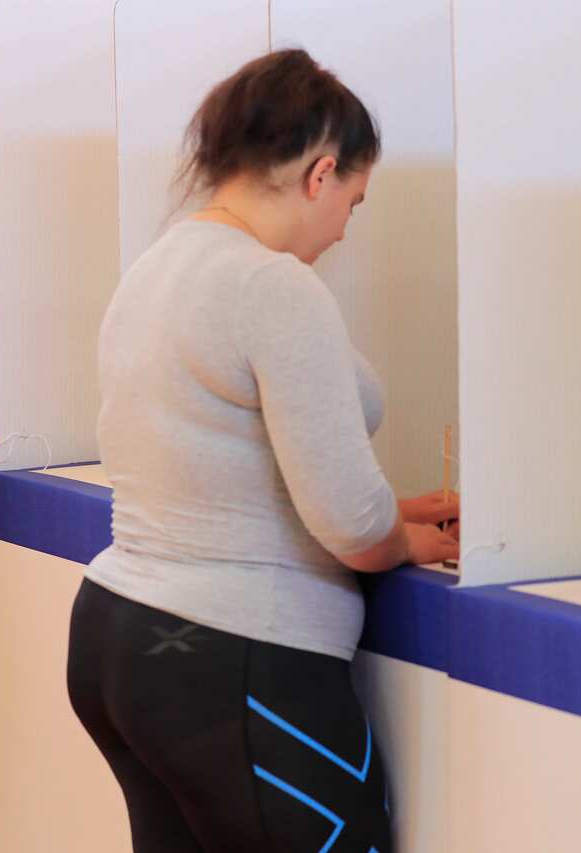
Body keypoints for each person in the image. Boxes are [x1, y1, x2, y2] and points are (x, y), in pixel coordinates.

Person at [67, 49, 461, 853]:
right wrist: (400, 539)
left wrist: (396, 508)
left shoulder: (157, 266)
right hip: (232, 657)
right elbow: (350, 520)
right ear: (320, 174)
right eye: (353, 199)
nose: (348, 226)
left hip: (121, 637)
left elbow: (212, 464)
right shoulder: (273, 287)